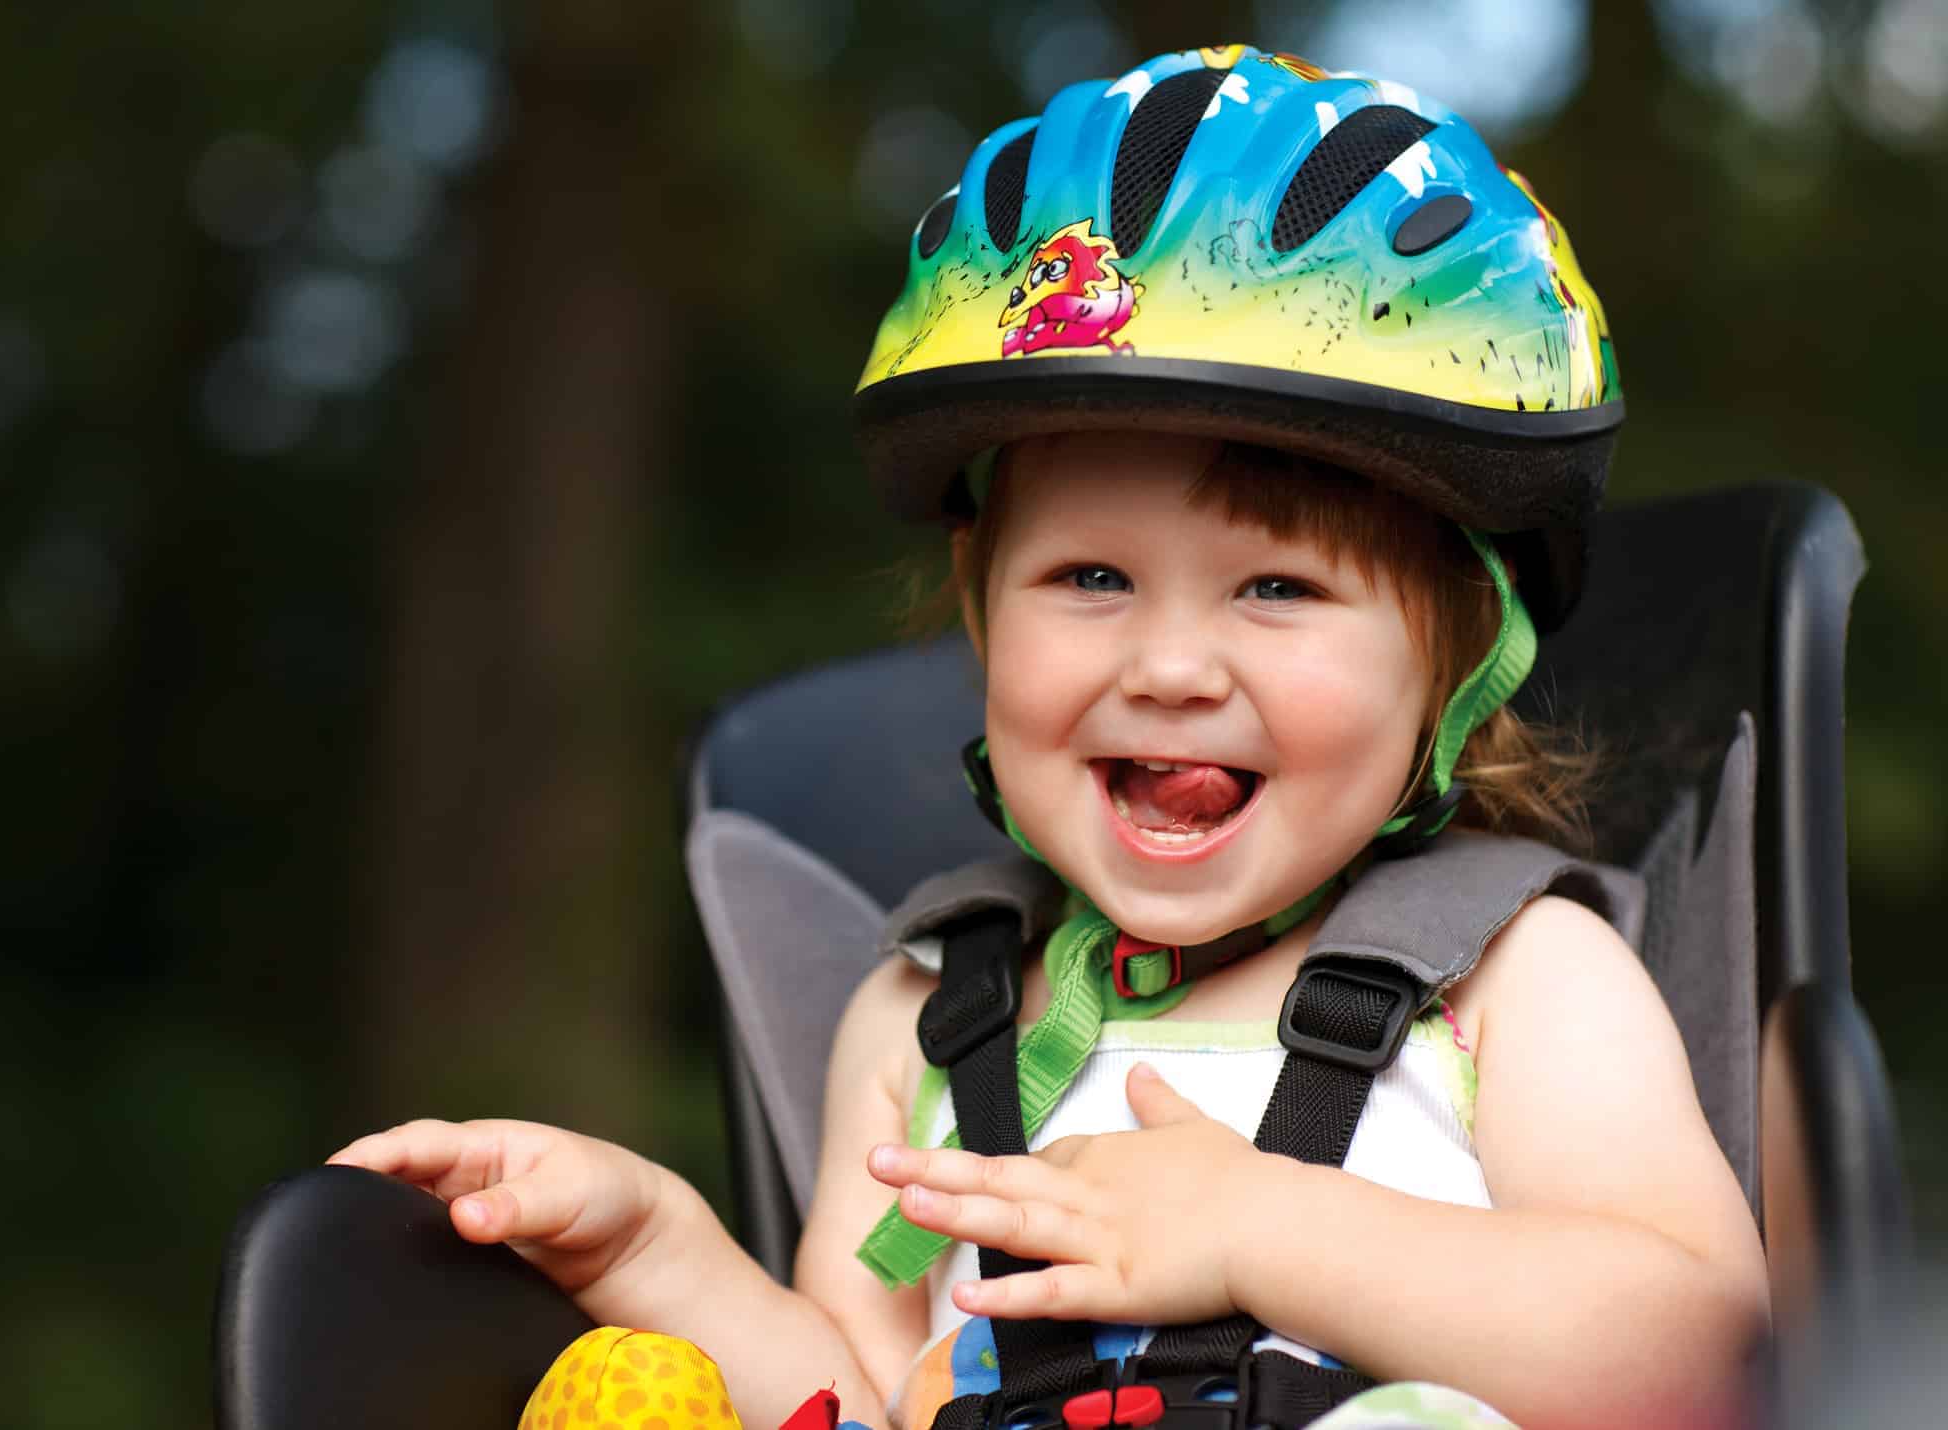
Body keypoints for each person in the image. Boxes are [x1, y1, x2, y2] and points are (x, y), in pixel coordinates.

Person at [330, 44, 1769, 1430]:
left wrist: (1267, 1229)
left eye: (1279, 587)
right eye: (1091, 579)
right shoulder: (929, 1018)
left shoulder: (1515, 982)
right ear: (980, 608)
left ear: (1456, 653)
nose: (1171, 664)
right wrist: (661, 1257)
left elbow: (1703, 1352)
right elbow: (864, 1391)